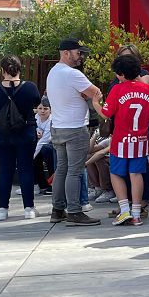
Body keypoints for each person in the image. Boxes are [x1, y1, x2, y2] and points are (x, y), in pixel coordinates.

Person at [93, 54, 149, 225]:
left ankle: (124, 210)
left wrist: (95, 103)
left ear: (121, 74)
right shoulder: (147, 89)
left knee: (115, 173)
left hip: (121, 140)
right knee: (136, 174)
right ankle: (136, 213)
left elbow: (106, 113)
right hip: (141, 139)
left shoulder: (117, 89)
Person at [47, 38, 103, 226]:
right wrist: (88, 95)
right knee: (75, 170)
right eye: (78, 53)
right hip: (75, 127)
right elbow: (96, 93)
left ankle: (57, 210)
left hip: (58, 127)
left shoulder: (53, 72)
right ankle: (74, 211)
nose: (81, 57)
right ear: (66, 53)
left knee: (61, 168)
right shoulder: (72, 74)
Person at [0, 55, 43, 221]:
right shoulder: (30, 88)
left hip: (2, 134)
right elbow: (37, 103)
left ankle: (2, 209)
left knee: (5, 169)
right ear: (19, 69)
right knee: (26, 168)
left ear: (2, 70)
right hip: (25, 131)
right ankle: (29, 208)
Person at [33, 99, 55, 195]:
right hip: (40, 145)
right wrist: (37, 130)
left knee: (46, 150)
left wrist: (32, 155)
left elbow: (44, 140)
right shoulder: (36, 117)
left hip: (52, 146)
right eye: (40, 108)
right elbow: (34, 127)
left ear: (50, 110)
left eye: (45, 109)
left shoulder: (51, 120)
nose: (42, 111)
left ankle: (52, 184)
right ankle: (39, 185)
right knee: (35, 157)